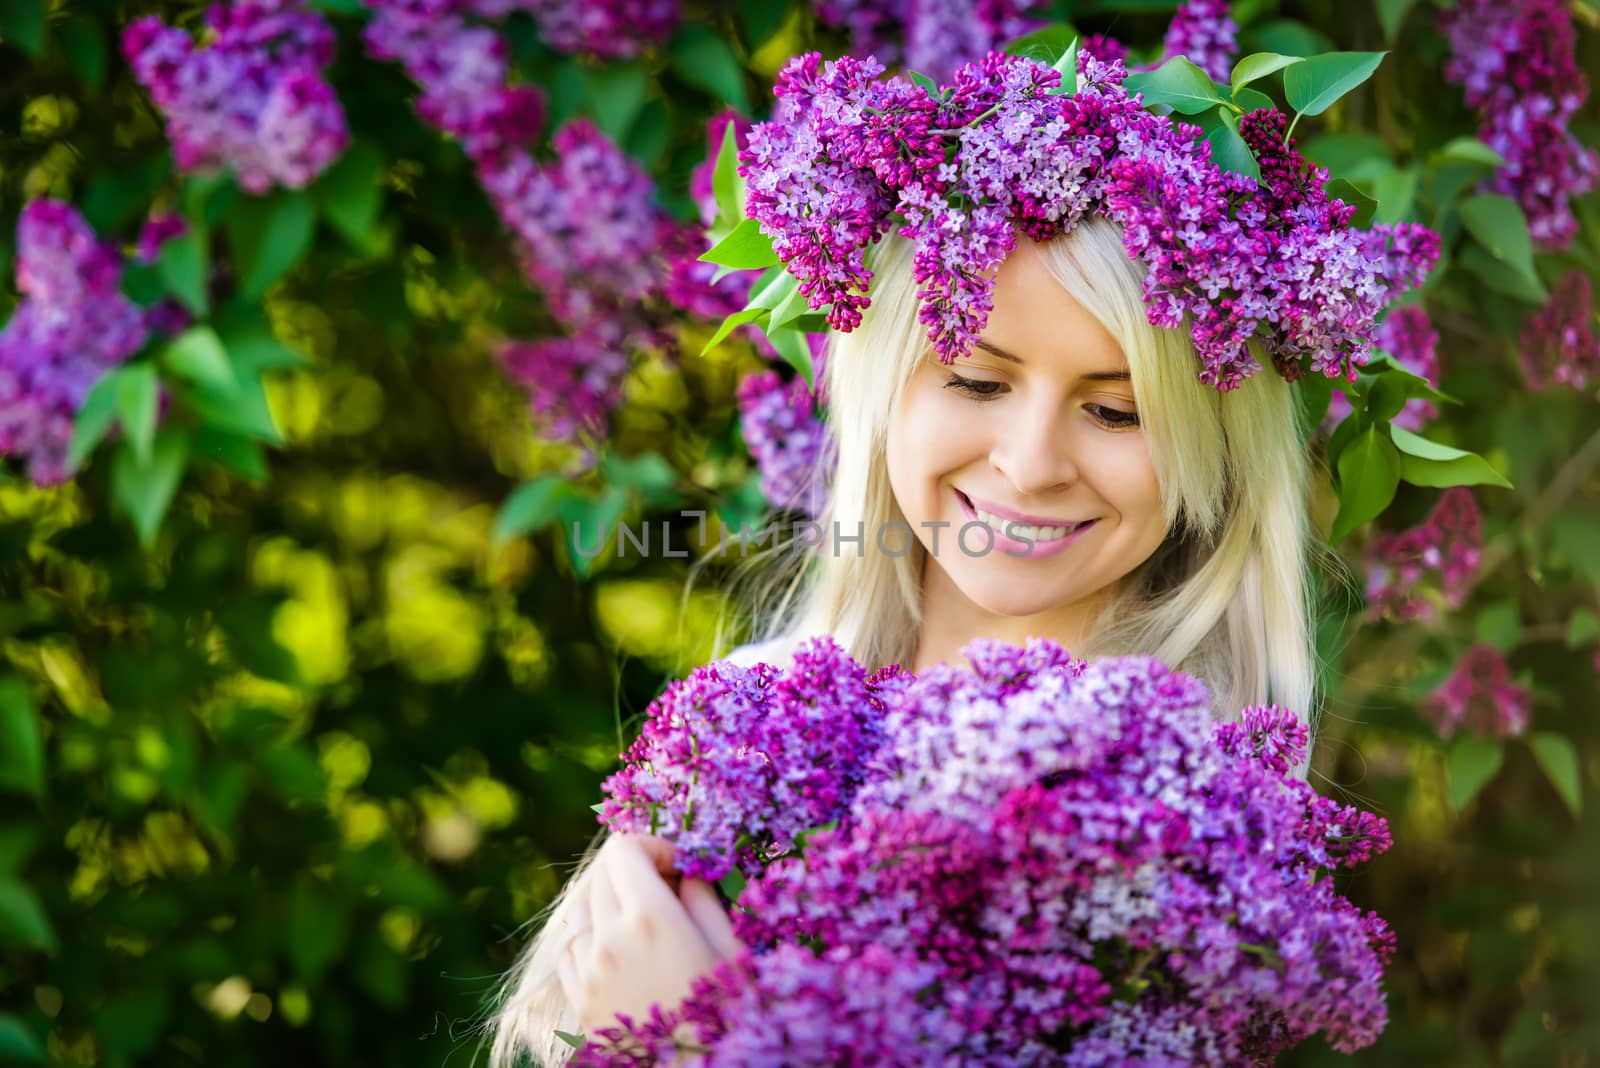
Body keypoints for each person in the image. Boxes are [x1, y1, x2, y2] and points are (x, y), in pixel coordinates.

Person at [484, 42, 1437, 1064]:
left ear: (1214, 459)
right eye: (977, 383)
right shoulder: (743, 728)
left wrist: (696, 1044)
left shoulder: (1184, 850)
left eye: (1115, 411)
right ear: (883, 392)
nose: (1028, 467)